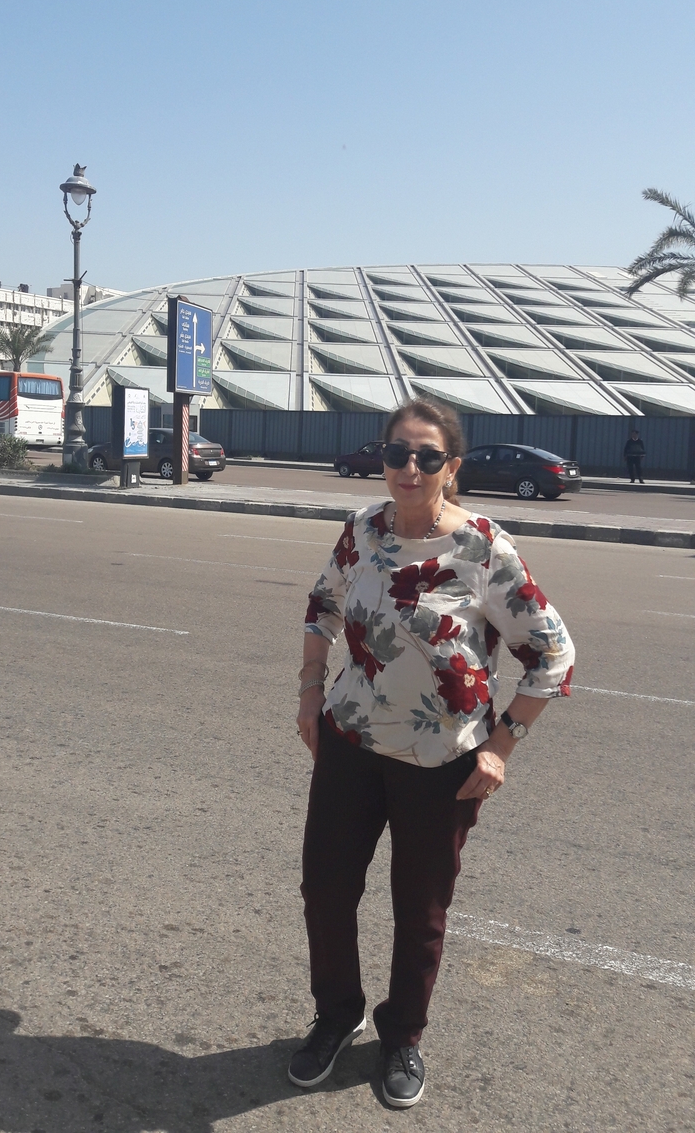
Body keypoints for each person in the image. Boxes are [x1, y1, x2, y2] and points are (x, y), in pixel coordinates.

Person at [288, 398, 575, 1109]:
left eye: (425, 456)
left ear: (451, 467)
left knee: (420, 910)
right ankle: (337, 1013)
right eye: (395, 453)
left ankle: (402, 1035)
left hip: (441, 762)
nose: (407, 468)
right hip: (350, 744)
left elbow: (553, 654)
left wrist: (503, 746)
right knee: (325, 889)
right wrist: (307, 694)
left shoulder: (483, 548)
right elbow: (322, 604)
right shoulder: (361, 530)